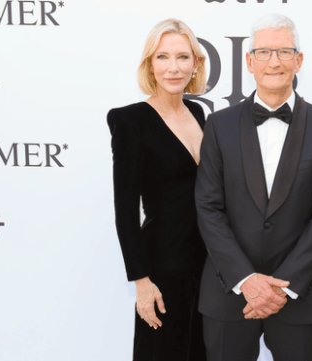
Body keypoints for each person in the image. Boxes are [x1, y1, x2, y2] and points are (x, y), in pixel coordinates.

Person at [194, 14, 312, 361]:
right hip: (228, 293)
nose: (274, 61)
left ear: (299, 60)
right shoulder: (219, 125)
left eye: (283, 51)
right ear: (249, 61)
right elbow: (208, 208)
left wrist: (281, 287)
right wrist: (246, 280)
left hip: (300, 296)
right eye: (263, 52)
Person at [107, 19, 208, 361]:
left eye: (183, 57)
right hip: (163, 268)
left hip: (208, 267)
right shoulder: (130, 121)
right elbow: (124, 209)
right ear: (150, 64)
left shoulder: (198, 113)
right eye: (163, 57)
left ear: (196, 63)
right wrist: (141, 281)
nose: (174, 68)